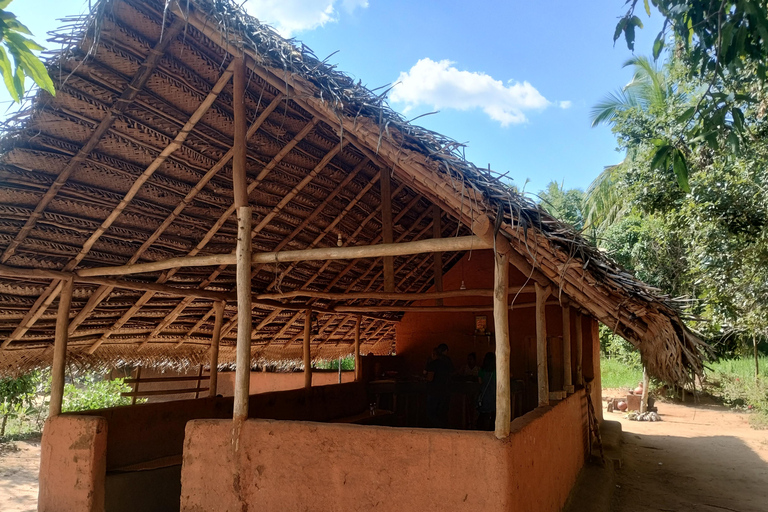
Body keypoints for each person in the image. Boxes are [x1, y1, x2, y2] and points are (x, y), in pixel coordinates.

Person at [424, 343, 454, 427]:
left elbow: (430, 378)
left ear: (434, 354)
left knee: (431, 413)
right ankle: (443, 428)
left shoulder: (432, 364)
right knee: (442, 413)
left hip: (434, 392)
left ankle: (437, 428)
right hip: (445, 391)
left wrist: (424, 379)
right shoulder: (446, 363)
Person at [476, 352, 496, 431]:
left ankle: (481, 430)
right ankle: (492, 430)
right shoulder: (496, 371)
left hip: (484, 396)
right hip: (494, 396)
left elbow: (480, 382)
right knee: (494, 415)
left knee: (483, 414)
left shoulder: (481, 370)